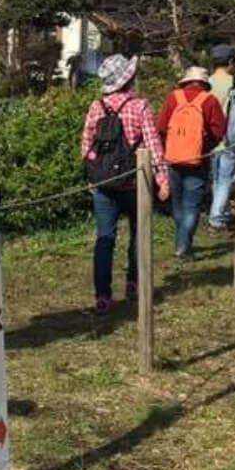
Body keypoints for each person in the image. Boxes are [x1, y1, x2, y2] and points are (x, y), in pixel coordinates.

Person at [81, 54, 169, 313]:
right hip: (135, 183)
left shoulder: (97, 107)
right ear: (128, 79)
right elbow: (153, 146)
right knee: (138, 234)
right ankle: (134, 283)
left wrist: (94, 174)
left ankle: (102, 295)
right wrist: (162, 179)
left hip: (105, 184)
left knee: (104, 238)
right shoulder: (140, 106)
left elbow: (87, 146)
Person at [157, 66, 227, 259]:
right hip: (198, 159)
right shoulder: (209, 100)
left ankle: (182, 243)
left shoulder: (173, 97)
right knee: (192, 205)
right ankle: (183, 246)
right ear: (204, 83)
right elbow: (219, 130)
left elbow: (161, 127)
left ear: (186, 81)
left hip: (173, 157)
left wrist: (169, 147)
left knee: (178, 203)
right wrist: (205, 147)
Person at [206, 44, 235, 235]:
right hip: (229, 139)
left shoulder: (206, 83)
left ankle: (221, 214)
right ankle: (216, 220)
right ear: (231, 62)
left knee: (217, 179)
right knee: (226, 179)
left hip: (210, 141)